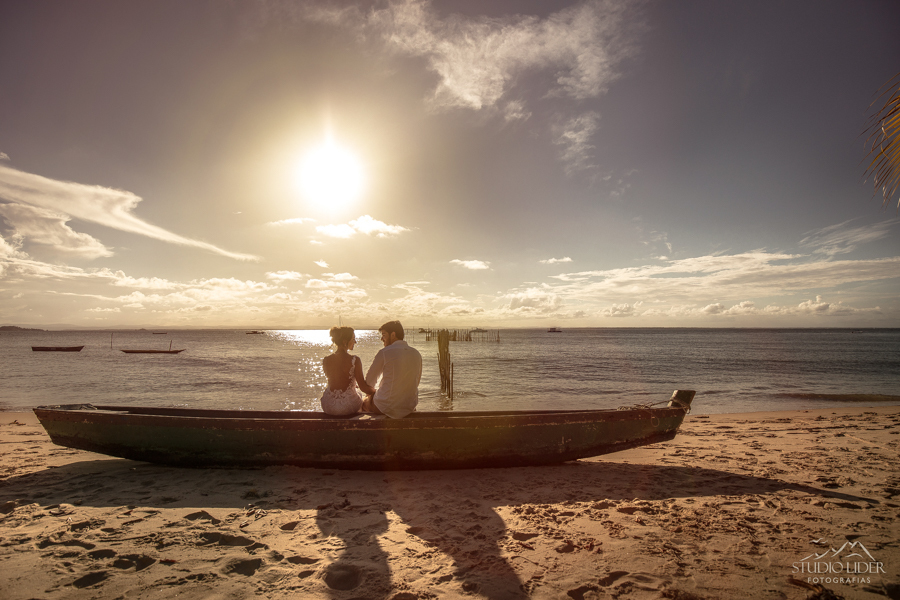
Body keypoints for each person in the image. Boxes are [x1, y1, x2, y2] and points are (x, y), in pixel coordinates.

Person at [363, 320, 422, 418]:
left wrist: (373, 393)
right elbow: (416, 382)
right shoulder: (416, 354)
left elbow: (369, 382)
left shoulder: (384, 353)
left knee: (365, 402)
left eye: (384, 335)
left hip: (386, 407)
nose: (382, 339)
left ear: (393, 335)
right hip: (409, 407)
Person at [320, 326, 377, 416]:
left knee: (355, 389)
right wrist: (375, 392)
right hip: (347, 406)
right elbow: (363, 388)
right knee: (360, 395)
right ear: (344, 341)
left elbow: (335, 381)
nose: (355, 342)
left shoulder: (326, 360)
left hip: (328, 405)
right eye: (353, 339)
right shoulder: (355, 360)